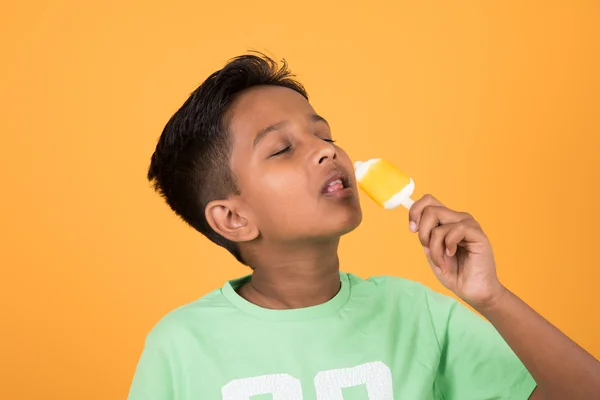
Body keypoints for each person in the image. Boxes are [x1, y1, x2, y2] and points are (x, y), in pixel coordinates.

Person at [128, 53, 600, 399]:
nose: (327, 150)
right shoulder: (181, 345)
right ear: (232, 218)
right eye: (281, 149)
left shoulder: (418, 315)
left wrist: (491, 297)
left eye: (324, 134)